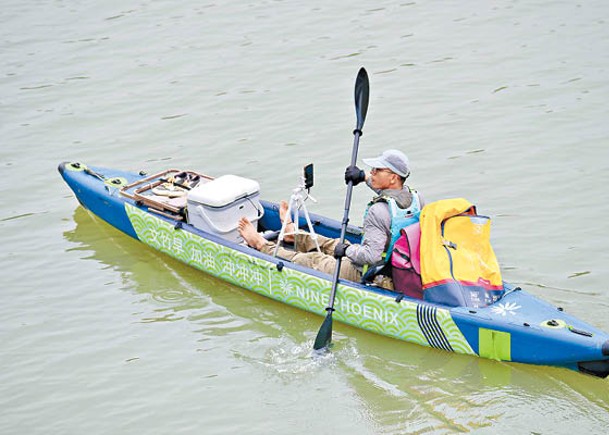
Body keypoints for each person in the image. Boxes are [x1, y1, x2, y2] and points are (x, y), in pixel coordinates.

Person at [238, 149, 424, 283]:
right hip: (391, 263)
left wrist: (346, 252)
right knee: (332, 243)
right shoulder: (416, 198)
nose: (372, 172)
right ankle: (292, 234)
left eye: (377, 170)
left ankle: (261, 245)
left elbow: (370, 256)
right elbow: (391, 194)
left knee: (313, 260)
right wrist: (362, 176)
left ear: (393, 177)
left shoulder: (379, 211)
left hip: (368, 272)